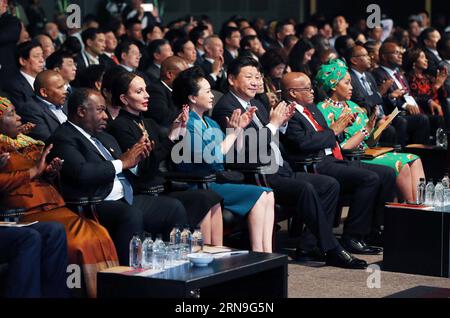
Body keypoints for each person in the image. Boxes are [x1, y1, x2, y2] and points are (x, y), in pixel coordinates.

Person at [212, 57, 368, 269]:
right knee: (306, 188)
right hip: (257, 172)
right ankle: (332, 249)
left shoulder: (257, 103)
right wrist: (275, 125)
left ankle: (308, 245)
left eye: (257, 77)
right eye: (248, 77)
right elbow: (244, 150)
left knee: (329, 184)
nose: (255, 82)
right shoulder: (227, 108)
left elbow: (274, 137)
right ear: (231, 79)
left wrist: (282, 124)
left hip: (280, 166)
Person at [47, 88, 188, 266]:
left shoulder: (105, 137)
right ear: (81, 111)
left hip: (125, 197)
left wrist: (138, 159)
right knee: (130, 215)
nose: (106, 116)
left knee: (172, 207)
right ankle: (128, 277)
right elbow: (82, 173)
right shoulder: (63, 138)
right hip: (95, 203)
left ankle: (178, 266)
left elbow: (127, 167)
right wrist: (123, 162)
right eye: (99, 110)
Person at [0, 96, 119, 298]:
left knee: (99, 233)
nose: (19, 117)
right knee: (78, 241)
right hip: (24, 210)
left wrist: (49, 172)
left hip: (54, 203)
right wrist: (33, 172)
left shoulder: (28, 142)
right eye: (11, 114)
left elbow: (42, 174)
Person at [107, 72, 223, 246]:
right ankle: (198, 253)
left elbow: (162, 155)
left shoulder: (149, 123)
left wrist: (178, 134)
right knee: (194, 201)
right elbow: (143, 168)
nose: (147, 95)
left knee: (208, 196)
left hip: (160, 186)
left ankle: (216, 252)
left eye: (146, 90)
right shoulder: (120, 126)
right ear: (124, 98)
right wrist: (169, 139)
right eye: (139, 92)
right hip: (142, 190)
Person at [281, 72, 396, 248]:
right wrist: (333, 131)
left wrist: (343, 129)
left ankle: (374, 230)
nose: (312, 91)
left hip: (333, 157)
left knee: (387, 173)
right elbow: (303, 143)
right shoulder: (287, 113)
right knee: (368, 179)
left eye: (311, 87)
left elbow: (326, 136)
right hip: (315, 163)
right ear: (292, 93)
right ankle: (352, 236)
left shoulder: (312, 108)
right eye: (306, 88)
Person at [172, 67, 274, 253]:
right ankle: (259, 252)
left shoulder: (210, 123)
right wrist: (233, 134)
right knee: (260, 194)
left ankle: (266, 252)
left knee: (268, 193)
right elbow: (211, 158)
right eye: (207, 91)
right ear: (192, 98)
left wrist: (239, 130)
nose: (212, 95)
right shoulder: (188, 124)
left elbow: (231, 153)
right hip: (199, 183)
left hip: (215, 179)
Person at [316, 59, 425, 203]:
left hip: (367, 152)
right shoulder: (323, 109)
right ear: (334, 85)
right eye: (346, 83)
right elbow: (340, 147)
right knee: (402, 164)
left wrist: (379, 127)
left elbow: (370, 141)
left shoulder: (353, 105)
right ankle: (410, 210)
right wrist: (366, 130)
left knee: (414, 158)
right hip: (351, 159)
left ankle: (421, 205)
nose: (351, 87)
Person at [372, 42, 431, 146]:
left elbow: (408, 95)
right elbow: (382, 98)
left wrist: (429, 101)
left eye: (401, 53)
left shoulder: (399, 74)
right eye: (396, 53)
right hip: (392, 113)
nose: (400, 55)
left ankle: (421, 152)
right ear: (384, 56)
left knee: (433, 119)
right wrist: (404, 105)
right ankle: (403, 154)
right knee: (419, 119)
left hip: (408, 112)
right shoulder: (377, 73)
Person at [403, 48, 448, 130]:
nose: (426, 60)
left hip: (437, 108)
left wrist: (440, 85)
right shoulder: (408, 78)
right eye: (422, 57)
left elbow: (442, 96)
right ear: (414, 61)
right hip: (422, 110)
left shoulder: (428, 77)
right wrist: (435, 87)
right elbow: (418, 98)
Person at [19, 70, 68, 142]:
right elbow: (48, 142)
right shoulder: (31, 110)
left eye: (64, 86)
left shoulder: (65, 102)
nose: (65, 91)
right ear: (44, 92)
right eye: (59, 88)